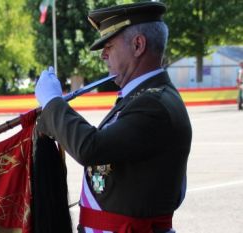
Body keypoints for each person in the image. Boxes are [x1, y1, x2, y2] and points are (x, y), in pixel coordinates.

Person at [34, 2, 192, 233]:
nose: (103, 56)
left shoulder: (153, 105)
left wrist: (52, 102)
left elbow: (91, 148)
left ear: (138, 45)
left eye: (109, 46)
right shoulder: (143, 98)